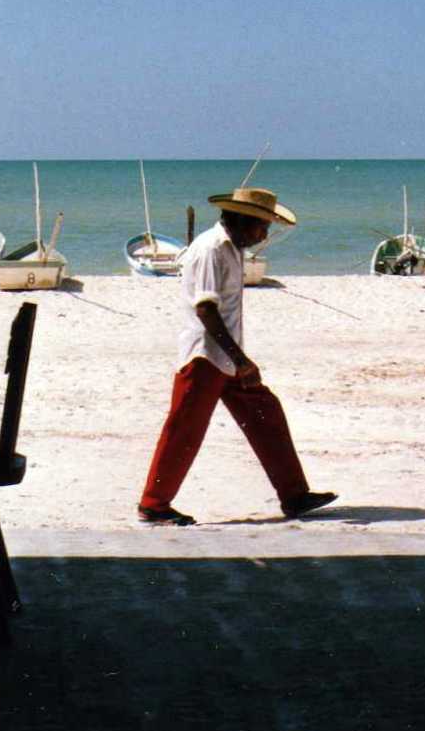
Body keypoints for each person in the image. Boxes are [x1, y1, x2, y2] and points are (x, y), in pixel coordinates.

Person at [137, 185, 337, 526]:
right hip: (204, 356)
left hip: (226, 355)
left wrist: (237, 359)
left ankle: (294, 495)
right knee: (184, 428)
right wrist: (241, 360)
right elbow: (206, 310)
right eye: (262, 227)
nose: (263, 235)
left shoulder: (232, 248)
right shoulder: (210, 250)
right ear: (242, 220)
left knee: (266, 415)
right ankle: (153, 504)